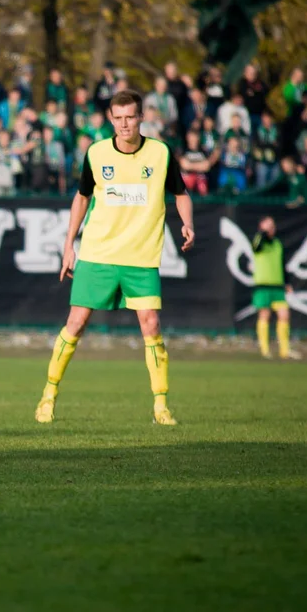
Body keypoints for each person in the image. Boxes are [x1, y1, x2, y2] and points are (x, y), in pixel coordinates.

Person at [35, 90, 195, 426]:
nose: (124, 124)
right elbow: (81, 198)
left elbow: (181, 194)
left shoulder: (161, 154)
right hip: (99, 253)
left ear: (141, 118)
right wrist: (69, 245)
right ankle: (48, 396)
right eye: (118, 117)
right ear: (111, 119)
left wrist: (187, 223)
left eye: (130, 117)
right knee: (75, 323)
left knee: (151, 325)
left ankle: (161, 406)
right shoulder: (96, 154)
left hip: (141, 256)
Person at [251, 217, 301, 360]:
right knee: (265, 316)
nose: (271, 228)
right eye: (268, 226)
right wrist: (262, 232)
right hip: (263, 285)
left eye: (273, 226)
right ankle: (265, 349)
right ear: (261, 227)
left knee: (284, 315)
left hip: (277, 286)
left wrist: (287, 283)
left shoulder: (277, 244)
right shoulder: (258, 240)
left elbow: (282, 264)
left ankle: (285, 350)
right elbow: (256, 247)